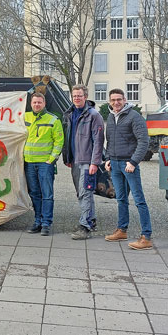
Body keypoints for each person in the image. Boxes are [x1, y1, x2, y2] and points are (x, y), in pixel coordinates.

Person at [103, 88, 154, 250]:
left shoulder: (134, 117)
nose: (116, 103)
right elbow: (110, 141)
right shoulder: (111, 117)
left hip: (128, 165)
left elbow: (143, 142)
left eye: (119, 99)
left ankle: (146, 237)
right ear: (109, 102)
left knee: (139, 200)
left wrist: (133, 162)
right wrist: (108, 158)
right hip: (115, 165)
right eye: (113, 100)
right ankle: (122, 230)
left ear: (124, 100)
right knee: (121, 199)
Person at [62, 84, 104, 240]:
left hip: (87, 161)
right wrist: (67, 157)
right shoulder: (70, 114)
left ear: (85, 96)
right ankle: (91, 221)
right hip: (75, 160)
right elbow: (68, 138)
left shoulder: (94, 115)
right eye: (74, 96)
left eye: (80, 95)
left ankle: (85, 227)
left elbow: (98, 141)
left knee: (85, 193)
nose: (77, 98)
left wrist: (95, 163)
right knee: (82, 192)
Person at [23, 91, 64, 236]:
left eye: (39, 102)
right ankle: (37, 221)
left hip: (45, 164)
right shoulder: (25, 117)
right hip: (29, 163)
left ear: (44, 103)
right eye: (34, 102)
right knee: (34, 193)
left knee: (47, 194)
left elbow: (59, 142)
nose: (37, 104)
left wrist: (51, 159)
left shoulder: (53, 120)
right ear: (30, 104)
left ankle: (46, 223)